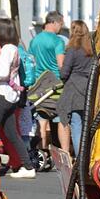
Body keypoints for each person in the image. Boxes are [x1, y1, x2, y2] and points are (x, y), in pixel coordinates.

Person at [0, 18, 36, 178]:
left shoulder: (6, 49)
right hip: (11, 95)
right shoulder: (14, 48)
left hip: (2, 93)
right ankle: (27, 166)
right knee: (12, 133)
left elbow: (3, 73)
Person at [30, 11, 67, 152]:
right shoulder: (58, 41)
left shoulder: (35, 40)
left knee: (42, 119)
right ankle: (65, 152)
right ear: (54, 22)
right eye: (61, 24)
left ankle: (42, 151)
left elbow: (31, 61)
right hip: (56, 84)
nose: (61, 28)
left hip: (39, 84)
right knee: (61, 119)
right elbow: (61, 64)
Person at [58, 20, 95, 156]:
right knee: (86, 125)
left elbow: (65, 72)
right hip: (88, 88)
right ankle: (87, 154)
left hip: (73, 89)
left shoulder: (72, 50)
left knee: (76, 124)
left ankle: (80, 157)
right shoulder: (91, 50)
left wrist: (62, 75)